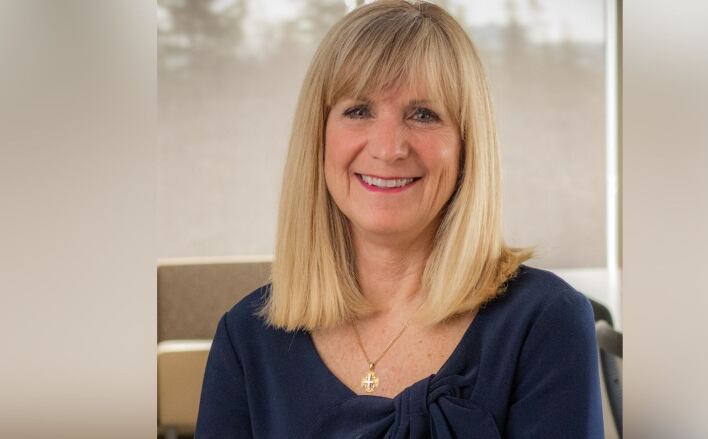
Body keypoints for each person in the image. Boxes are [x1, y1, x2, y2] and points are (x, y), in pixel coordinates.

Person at [195, 1, 604, 438]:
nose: (389, 148)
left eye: (423, 114)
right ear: (319, 138)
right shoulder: (247, 337)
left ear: (467, 145)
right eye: (358, 111)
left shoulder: (545, 323)